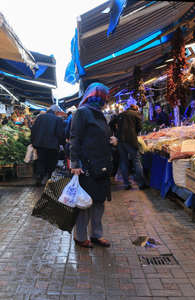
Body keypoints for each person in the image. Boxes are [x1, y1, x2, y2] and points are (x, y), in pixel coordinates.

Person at [70, 82, 117, 248]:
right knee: (84, 203)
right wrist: (75, 163)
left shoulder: (99, 114)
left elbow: (100, 136)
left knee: (99, 201)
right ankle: (80, 236)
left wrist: (112, 141)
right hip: (86, 165)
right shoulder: (82, 113)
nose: (103, 100)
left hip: (102, 164)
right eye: (102, 96)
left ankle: (97, 235)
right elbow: (75, 139)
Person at [31, 104, 65, 185]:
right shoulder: (58, 119)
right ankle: (49, 178)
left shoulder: (40, 117)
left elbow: (33, 130)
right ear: (56, 111)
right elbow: (60, 134)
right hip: (52, 146)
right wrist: (62, 143)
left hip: (40, 144)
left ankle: (39, 176)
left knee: (41, 161)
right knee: (51, 162)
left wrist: (33, 142)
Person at [117, 100, 147, 190]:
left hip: (120, 141)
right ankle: (141, 183)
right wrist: (135, 133)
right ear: (136, 109)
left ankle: (126, 184)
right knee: (136, 161)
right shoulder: (135, 114)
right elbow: (140, 127)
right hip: (131, 140)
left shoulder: (121, 114)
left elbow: (113, 124)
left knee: (123, 161)